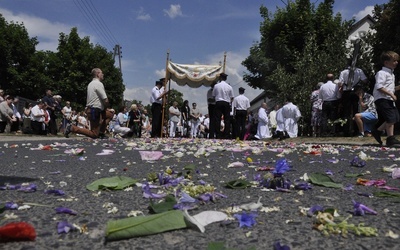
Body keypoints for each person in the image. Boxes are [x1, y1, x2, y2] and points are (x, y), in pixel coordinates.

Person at [64, 68, 114, 139]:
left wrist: (106, 109)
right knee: (94, 134)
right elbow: (105, 100)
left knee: (110, 114)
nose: (103, 74)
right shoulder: (98, 84)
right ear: (97, 74)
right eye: (101, 73)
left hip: (92, 109)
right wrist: (107, 107)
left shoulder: (90, 84)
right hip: (95, 110)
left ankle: (101, 132)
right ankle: (72, 128)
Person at [371, 51, 400, 146]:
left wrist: (397, 88)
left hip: (388, 98)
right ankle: (390, 138)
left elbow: (390, 88)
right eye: (394, 61)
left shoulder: (391, 74)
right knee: (390, 118)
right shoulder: (382, 73)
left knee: (395, 118)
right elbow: (379, 87)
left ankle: (377, 131)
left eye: (397, 61)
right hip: (382, 98)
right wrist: (392, 95)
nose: (396, 63)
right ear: (386, 62)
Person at [338, 59, 368, 136]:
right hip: (355, 92)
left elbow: (340, 83)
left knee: (346, 112)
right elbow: (365, 80)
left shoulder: (343, 72)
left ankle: (346, 131)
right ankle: (356, 130)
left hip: (346, 92)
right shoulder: (359, 71)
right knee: (356, 111)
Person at [213, 73, 234, 139]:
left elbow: (214, 95)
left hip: (218, 102)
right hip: (226, 102)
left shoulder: (216, 86)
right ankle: (226, 134)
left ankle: (218, 134)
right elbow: (232, 97)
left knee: (217, 119)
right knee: (227, 119)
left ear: (220, 78)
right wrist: (229, 102)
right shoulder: (229, 87)